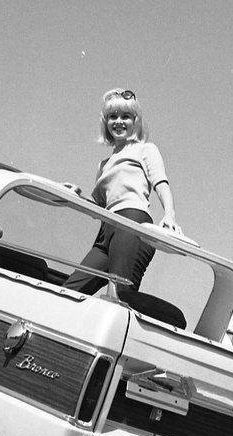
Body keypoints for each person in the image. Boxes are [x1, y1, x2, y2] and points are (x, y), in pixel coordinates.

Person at [63, 88, 180, 294]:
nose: (119, 122)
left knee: (118, 293)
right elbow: (97, 205)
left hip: (131, 222)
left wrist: (169, 214)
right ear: (105, 122)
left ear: (136, 121)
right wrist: (75, 195)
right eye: (112, 117)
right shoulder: (103, 164)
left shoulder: (145, 149)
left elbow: (161, 183)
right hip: (105, 232)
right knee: (70, 290)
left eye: (125, 116)